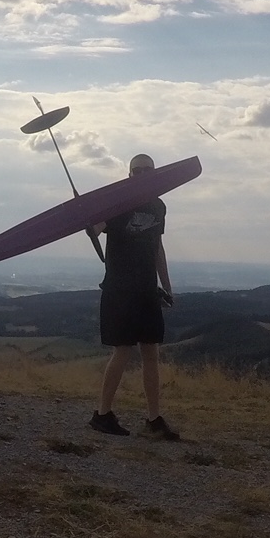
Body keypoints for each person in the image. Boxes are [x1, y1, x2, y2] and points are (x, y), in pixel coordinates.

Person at [90, 154, 179, 439]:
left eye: (147, 170)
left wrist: (167, 285)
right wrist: (86, 216)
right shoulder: (116, 204)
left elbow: (157, 247)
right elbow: (95, 229)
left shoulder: (158, 206)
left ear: (155, 173)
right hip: (119, 289)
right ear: (128, 175)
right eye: (136, 170)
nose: (141, 174)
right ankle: (102, 415)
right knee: (123, 351)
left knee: (151, 351)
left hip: (146, 290)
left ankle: (154, 419)